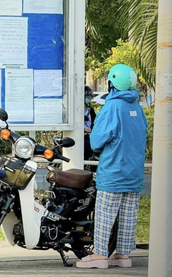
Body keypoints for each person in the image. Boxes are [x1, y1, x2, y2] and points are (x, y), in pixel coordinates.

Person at [76, 64, 147, 269]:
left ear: (112, 83)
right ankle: (123, 256)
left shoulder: (111, 107)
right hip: (134, 173)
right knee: (128, 215)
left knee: (105, 214)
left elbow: (96, 142)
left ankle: (100, 255)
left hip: (114, 172)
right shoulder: (137, 108)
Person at [83, 85, 96, 161]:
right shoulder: (76, 111)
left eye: (90, 97)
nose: (89, 99)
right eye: (87, 96)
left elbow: (95, 122)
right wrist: (84, 130)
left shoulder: (90, 110)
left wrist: (92, 129)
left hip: (90, 136)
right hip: (81, 138)